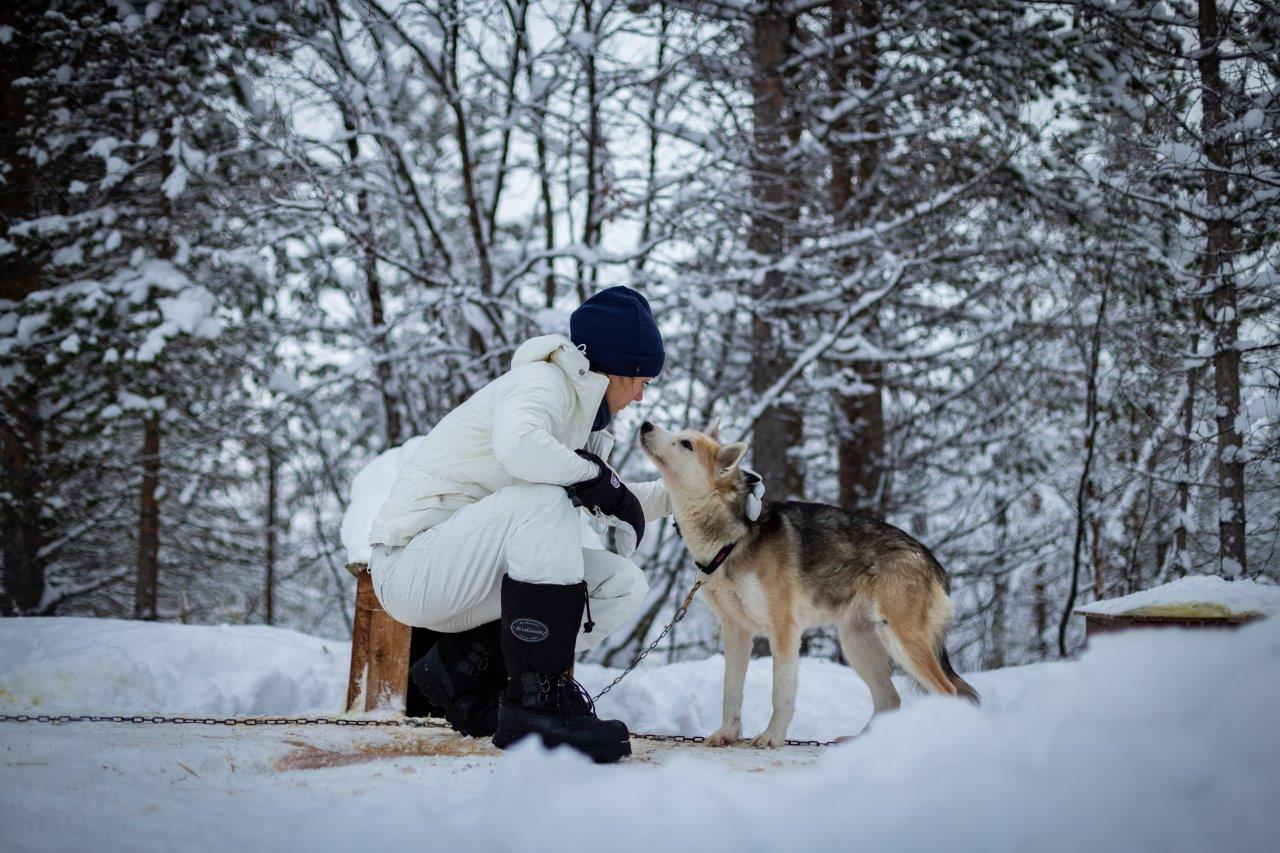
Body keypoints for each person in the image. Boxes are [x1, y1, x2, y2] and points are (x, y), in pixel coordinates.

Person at [367, 286, 670, 763]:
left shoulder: (579, 420)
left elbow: (605, 495)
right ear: (619, 368)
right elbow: (522, 451)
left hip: (466, 574)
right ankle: (537, 703)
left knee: (620, 584)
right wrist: (596, 478)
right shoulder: (542, 383)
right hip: (411, 566)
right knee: (541, 499)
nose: (641, 395)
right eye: (642, 380)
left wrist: (694, 498)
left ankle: (476, 678)